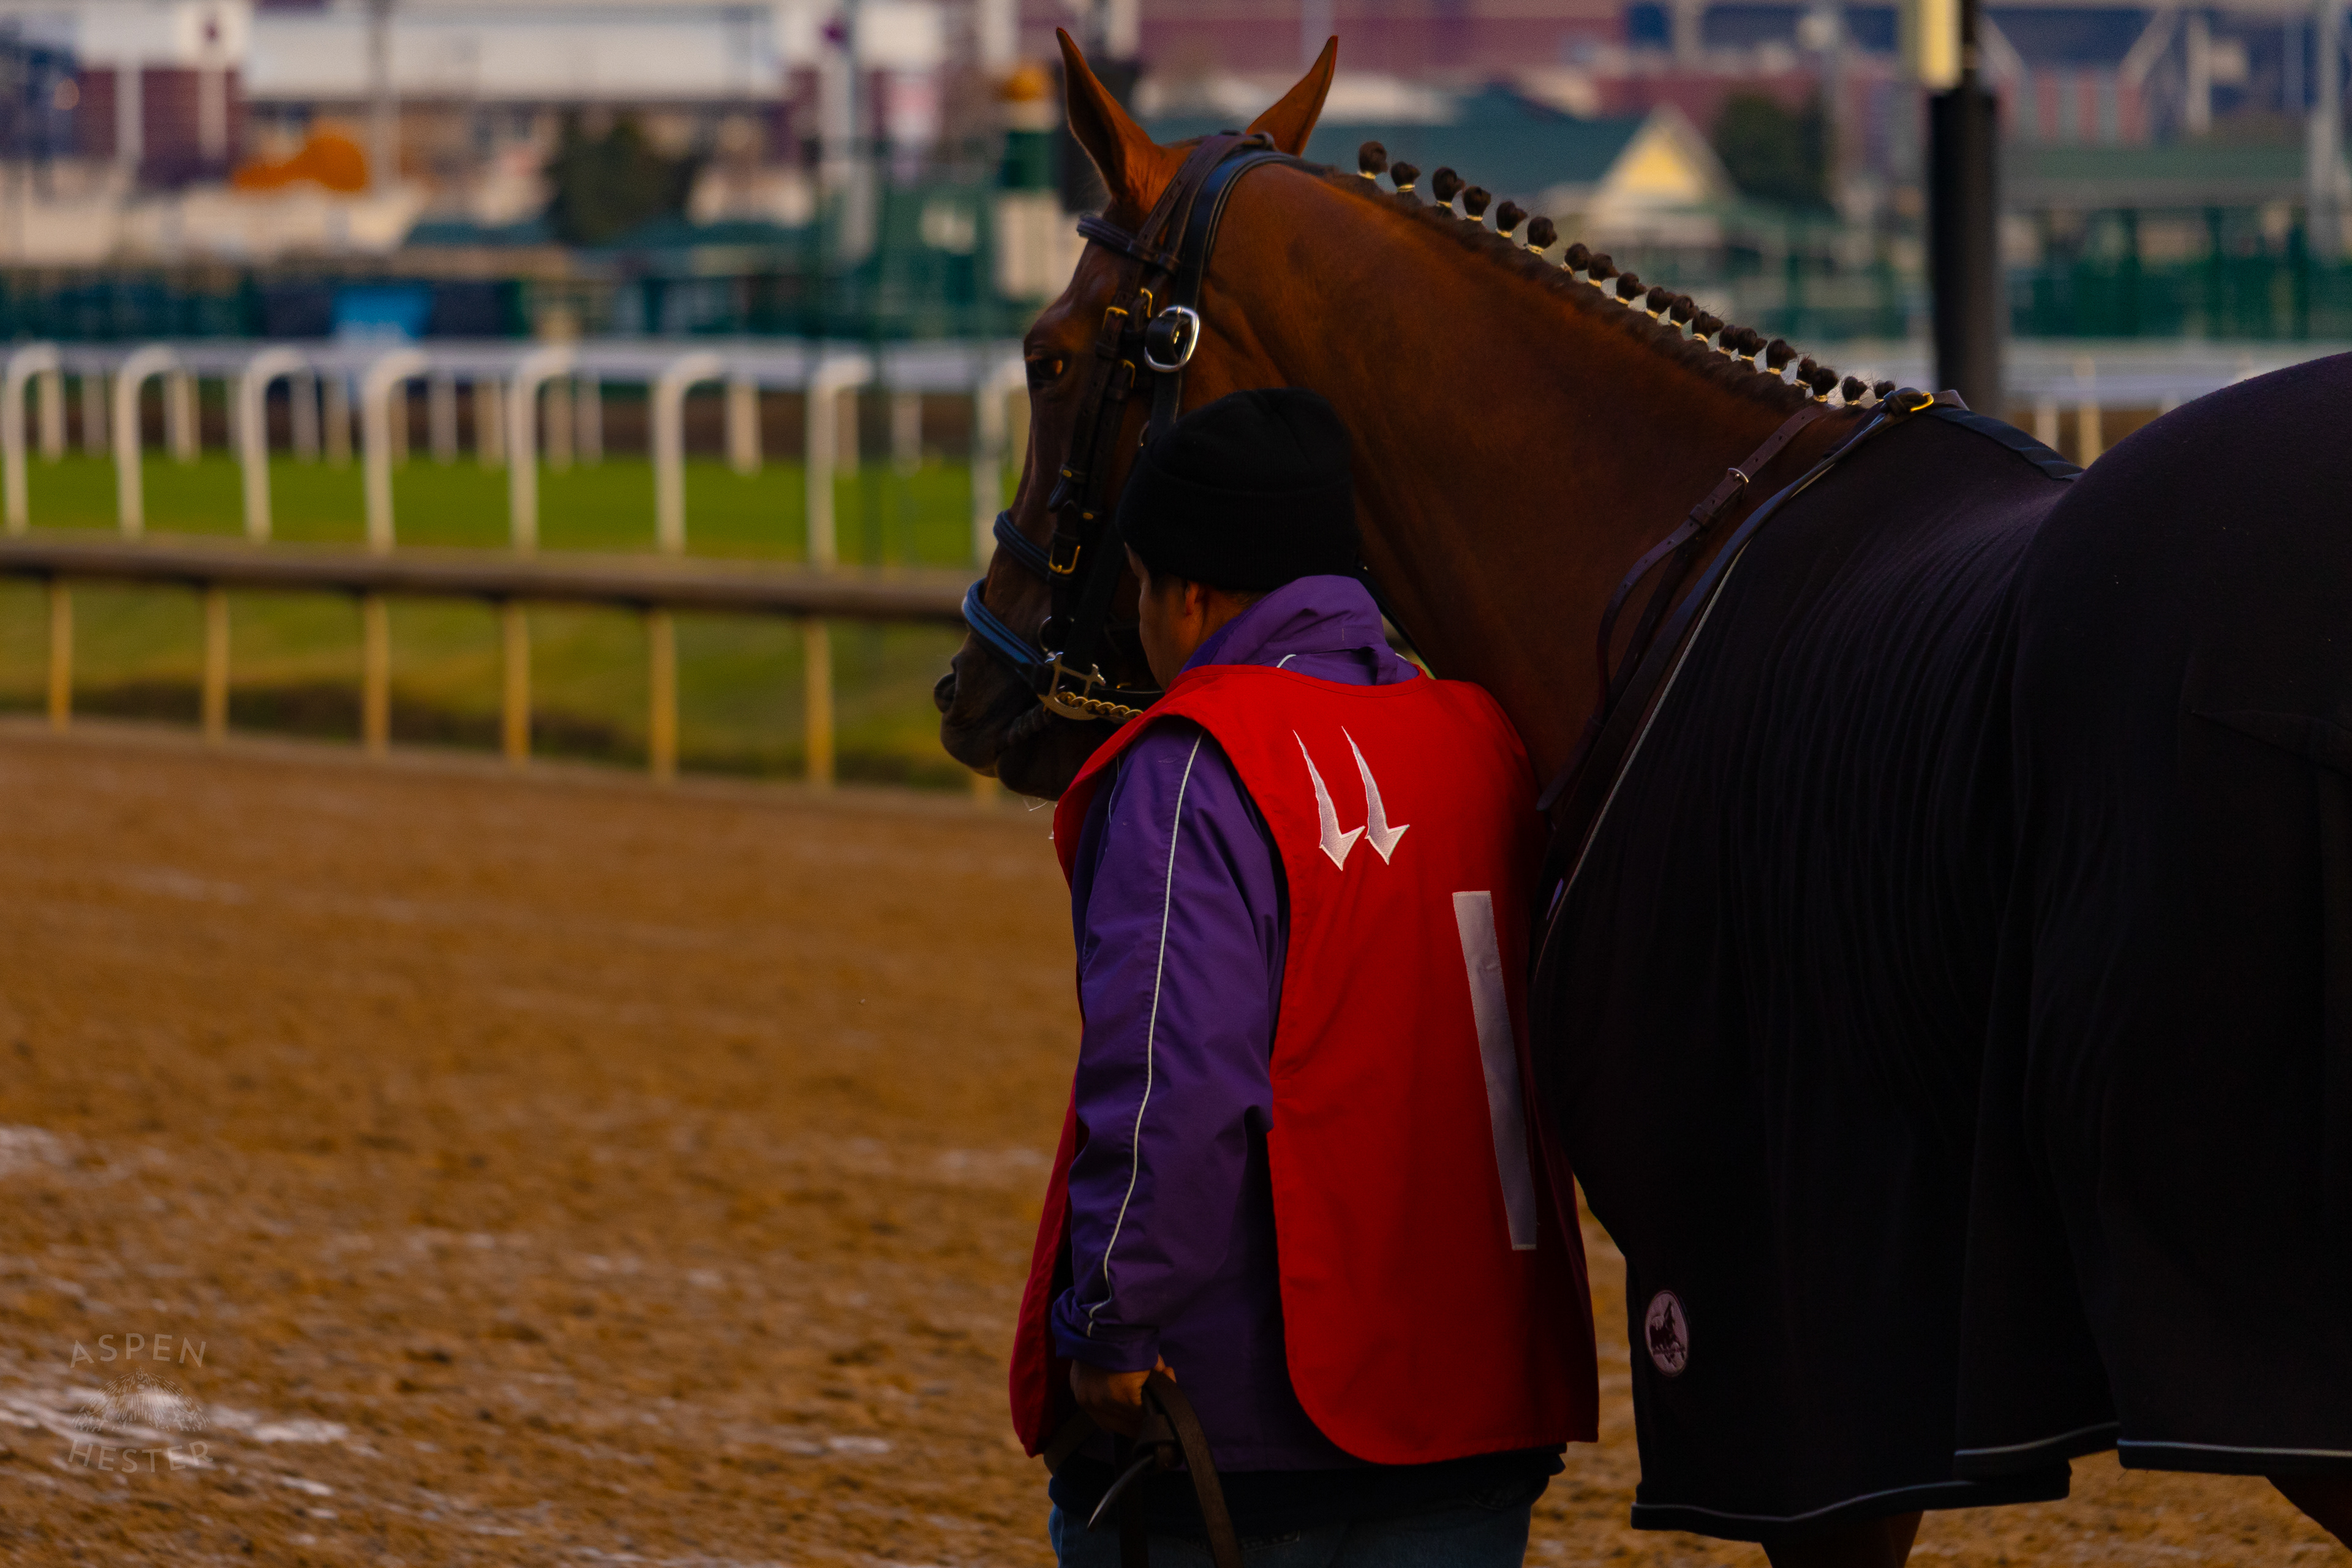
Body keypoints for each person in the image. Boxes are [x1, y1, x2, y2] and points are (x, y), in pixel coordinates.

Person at [1008, 387, 1598, 1566]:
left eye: (1139, 591)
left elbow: (1174, 1084)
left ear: (1191, 595)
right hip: (1483, 1414)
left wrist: (1113, 1325)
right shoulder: (1486, 741)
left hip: (1241, 1437)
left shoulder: (1193, 765)